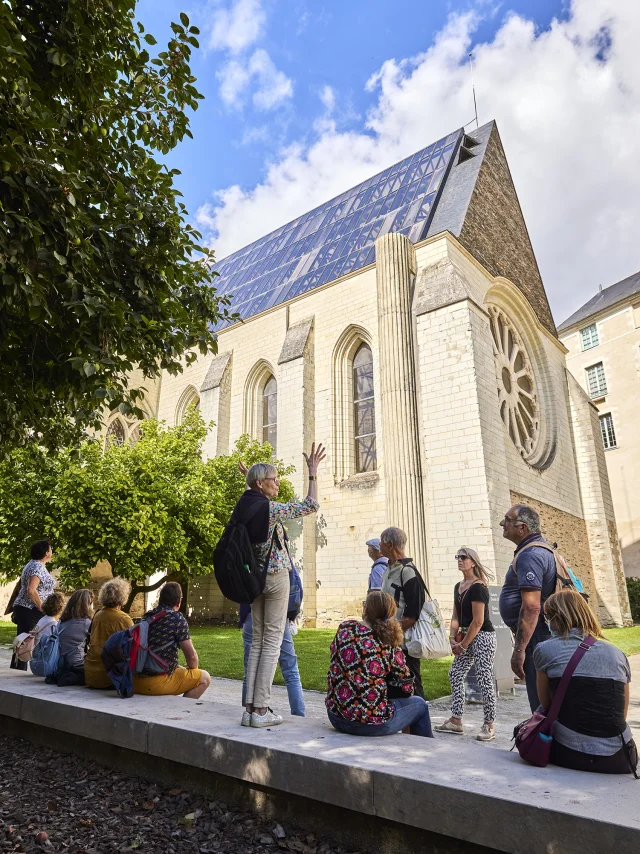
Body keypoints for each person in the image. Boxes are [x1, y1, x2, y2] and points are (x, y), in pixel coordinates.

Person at [235, 444, 325, 728]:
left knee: (258, 642)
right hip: (274, 579)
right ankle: (261, 710)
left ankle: (250, 708)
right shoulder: (270, 509)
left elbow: (254, 501)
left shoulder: (245, 504)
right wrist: (312, 474)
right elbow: (310, 505)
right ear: (261, 484)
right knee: (272, 641)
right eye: (273, 479)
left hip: (254, 581)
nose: (278, 482)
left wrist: (248, 479)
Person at [534, 590, 638, 775]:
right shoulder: (617, 654)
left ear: (558, 618)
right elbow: (621, 713)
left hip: (568, 751)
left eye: (547, 617)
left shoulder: (545, 649)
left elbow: (546, 704)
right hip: (619, 757)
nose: (546, 622)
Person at [326, 591, 433, 738]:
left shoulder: (345, 629)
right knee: (419, 705)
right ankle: (425, 753)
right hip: (370, 723)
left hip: (336, 715)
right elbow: (407, 685)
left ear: (366, 610)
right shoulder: (387, 645)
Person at [498, 504, 556, 711]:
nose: (502, 524)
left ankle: (543, 740)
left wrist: (519, 649)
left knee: (540, 700)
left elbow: (531, 607)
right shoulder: (538, 549)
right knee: (545, 696)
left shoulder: (530, 555)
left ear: (522, 528)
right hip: (540, 633)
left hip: (537, 636)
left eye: (506, 520)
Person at [435, 548, 497, 741]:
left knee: (484, 678)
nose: (460, 560)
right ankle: (456, 720)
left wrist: (462, 645)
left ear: (473, 562)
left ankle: (489, 724)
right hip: (465, 636)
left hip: (483, 636)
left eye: (464, 557)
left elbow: (478, 621)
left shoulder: (479, 587)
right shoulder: (458, 586)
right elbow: (455, 616)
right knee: (455, 673)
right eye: (458, 557)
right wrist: (452, 637)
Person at [132, 582, 211, 699]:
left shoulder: (148, 616)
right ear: (179, 601)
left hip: (135, 681)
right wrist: (193, 672)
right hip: (156, 684)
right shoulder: (177, 618)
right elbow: (192, 658)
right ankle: (179, 711)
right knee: (204, 678)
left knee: (180, 669)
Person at [379, 527, 426, 699]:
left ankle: (419, 724)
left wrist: (391, 634)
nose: (379, 546)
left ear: (390, 544)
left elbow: (413, 614)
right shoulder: (388, 569)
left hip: (404, 642)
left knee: (411, 686)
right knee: (391, 686)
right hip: (390, 639)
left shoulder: (408, 571)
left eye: (381, 542)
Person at [239, 606, 305, 718]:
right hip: (277, 615)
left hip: (251, 614)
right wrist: (292, 616)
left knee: (250, 669)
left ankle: (248, 713)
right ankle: (298, 716)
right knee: (290, 670)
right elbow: (295, 589)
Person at [10, 540, 56, 671]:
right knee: (26, 640)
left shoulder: (34, 564)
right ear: (46, 553)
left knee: (24, 638)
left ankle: (18, 668)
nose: (52, 551)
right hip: (30, 608)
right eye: (50, 549)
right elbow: (31, 590)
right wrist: (43, 608)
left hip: (26, 608)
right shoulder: (37, 567)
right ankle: (19, 669)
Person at [85, 578, 134, 689]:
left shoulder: (97, 615)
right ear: (123, 596)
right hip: (110, 676)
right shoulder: (123, 619)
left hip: (90, 673)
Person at [52, 589, 94, 686]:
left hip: (60, 663)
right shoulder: (86, 623)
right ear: (87, 604)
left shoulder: (62, 621)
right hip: (78, 664)